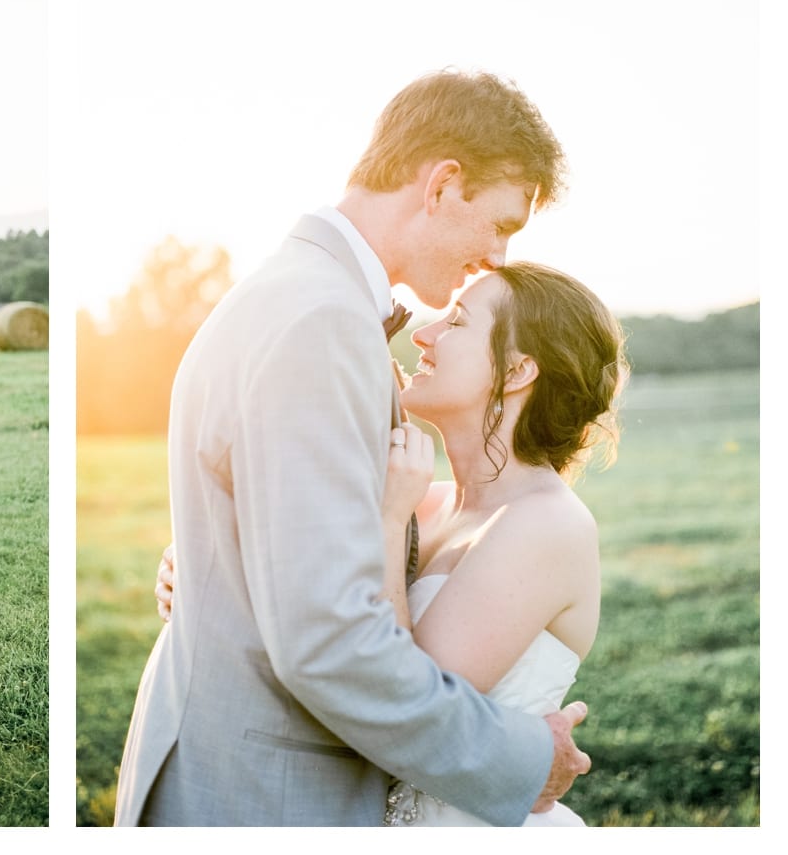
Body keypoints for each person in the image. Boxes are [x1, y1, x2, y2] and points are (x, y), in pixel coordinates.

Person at [113, 69, 590, 826]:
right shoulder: (323, 320)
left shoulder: (298, 292)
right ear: (442, 185)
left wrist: (208, 568)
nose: (497, 255)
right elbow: (328, 638)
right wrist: (520, 756)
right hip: (262, 795)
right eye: (501, 223)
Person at [154, 262, 627, 825]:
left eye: (456, 323)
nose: (423, 334)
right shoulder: (419, 498)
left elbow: (405, 703)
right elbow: (312, 613)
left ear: (520, 368)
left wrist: (384, 523)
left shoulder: (547, 524)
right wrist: (205, 572)